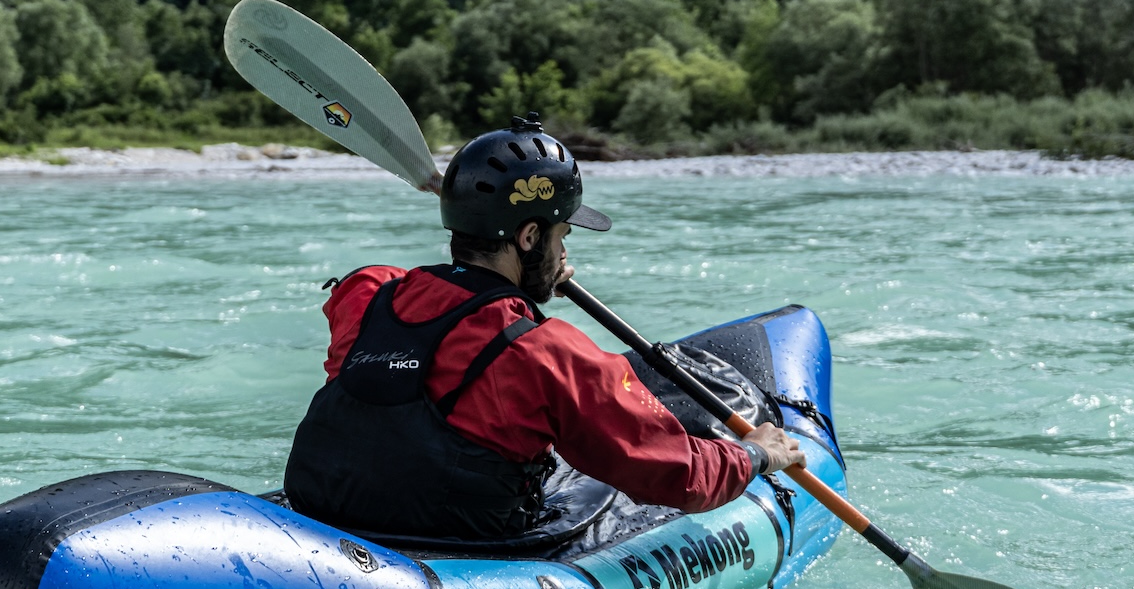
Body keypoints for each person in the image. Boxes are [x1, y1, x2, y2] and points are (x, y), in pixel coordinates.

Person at [282, 113, 806, 541]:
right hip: (453, 539)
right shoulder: (546, 351)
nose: (565, 252)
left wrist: (519, 278)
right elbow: (679, 477)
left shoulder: (369, 298)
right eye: (561, 236)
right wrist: (755, 454)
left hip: (327, 516)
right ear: (530, 237)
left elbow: (385, 283)